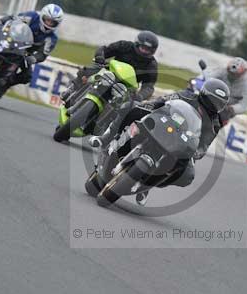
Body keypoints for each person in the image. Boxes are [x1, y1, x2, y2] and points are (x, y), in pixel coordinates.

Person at [90, 78, 230, 206]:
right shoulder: (185, 95)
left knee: (187, 175)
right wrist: (149, 107)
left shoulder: (214, 124)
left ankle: (147, 185)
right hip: (161, 123)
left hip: (180, 141)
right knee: (131, 107)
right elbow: (162, 101)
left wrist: (194, 153)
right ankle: (107, 138)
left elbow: (203, 146)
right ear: (204, 93)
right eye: (213, 100)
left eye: (219, 104)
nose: (214, 105)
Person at [61, 31, 159, 103]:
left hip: (126, 89)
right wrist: (100, 57)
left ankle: (111, 129)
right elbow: (104, 49)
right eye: (143, 48)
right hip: (109, 74)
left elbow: (149, 86)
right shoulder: (124, 46)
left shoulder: (151, 65)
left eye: (148, 50)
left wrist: (140, 96)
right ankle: (71, 90)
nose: (145, 51)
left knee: (129, 108)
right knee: (90, 70)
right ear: (137, 44)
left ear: (153, 51)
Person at [0, 3, 63, 99]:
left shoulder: (52, 38)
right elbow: (13, 18)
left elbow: (43, 54)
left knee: (27, 76)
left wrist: (34, 58)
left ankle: (5, 85)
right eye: (47, 20)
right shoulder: (31, 16)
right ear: (42, 16)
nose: (49, 23)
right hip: (11, 40)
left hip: (25, 53)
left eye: (52, 22)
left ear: (56, 24)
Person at [202, 57, 247, 123]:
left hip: (229, 112)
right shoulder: (222, 70)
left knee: (220, 117)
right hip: (215, 101)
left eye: (236, 74)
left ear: (243, 72)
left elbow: (244, 105)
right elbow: (208, 78)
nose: (232, 75)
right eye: (230, 72)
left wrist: (231, 109)